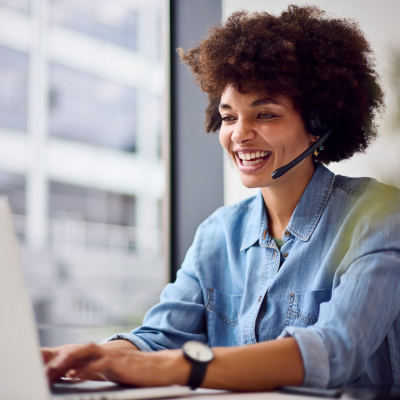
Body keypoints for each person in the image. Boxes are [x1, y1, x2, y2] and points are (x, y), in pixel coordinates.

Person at [43, 5, 400, 390]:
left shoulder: (379, 217)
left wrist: (183, 368)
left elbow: (336, 350)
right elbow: (159, 339)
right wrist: (84, 357)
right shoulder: (218, 232)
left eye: (264, 115)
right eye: (229, 117)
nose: (239, 134)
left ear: (317, 124)